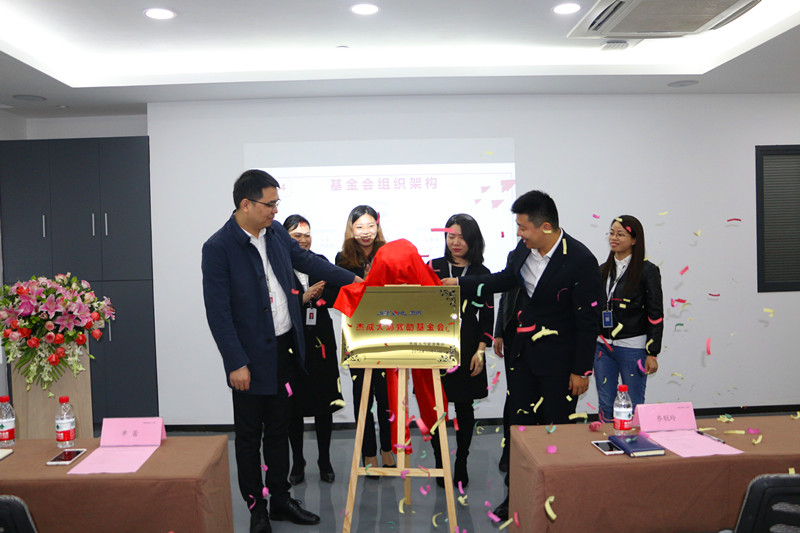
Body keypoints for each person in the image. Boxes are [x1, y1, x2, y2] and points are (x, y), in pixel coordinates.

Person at [202, 170, 361, 533]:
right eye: (270, 203)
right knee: (249, 437)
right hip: (249, 358)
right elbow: (218, 313)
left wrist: (352, 279)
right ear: (246, 204)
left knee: (280, 429)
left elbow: (310, 263)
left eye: (277, 203)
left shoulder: (275, 233)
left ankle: (280, 499)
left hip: (285, 350)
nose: (276, 210)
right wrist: (235, 362)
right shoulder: (218, 247)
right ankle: (256, 509)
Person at [442, 190, 602, 521]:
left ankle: (556, 501)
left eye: (523, 227)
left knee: (555, 432)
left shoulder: (580, 260)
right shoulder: (523, 250)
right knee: (519, 432)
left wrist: (581, 371)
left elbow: (589, 321)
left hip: (560, 366)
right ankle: (514, 496)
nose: (519, 233)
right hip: (523, 360)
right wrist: (459, 285)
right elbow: (504, 280)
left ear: (546, 227)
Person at [429, 214, 491, 488]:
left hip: (468, 345)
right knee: (436, 408)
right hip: (436, 345)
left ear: (472, 240)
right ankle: (440, 461)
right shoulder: (433, 267)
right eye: (450, 236)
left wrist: (481, 350)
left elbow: (487, 314)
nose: (455, 242)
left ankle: (461, 462)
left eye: (462, 237)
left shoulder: (482, 272)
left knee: (464, 407)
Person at [282, 214, 343, 485]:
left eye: (307, 235)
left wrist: (320, 296)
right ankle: (298, 461)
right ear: (285, 239)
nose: (304, 240)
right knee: (293, 407)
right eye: (297, 236)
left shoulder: (319, 261)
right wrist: (304, 298)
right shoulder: (278, 265)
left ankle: (324, 460)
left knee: (323, 403)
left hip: (321, 341)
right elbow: (275, 304)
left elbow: (336, 293)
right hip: (291, 342)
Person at [334, 205, 394, 472]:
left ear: (378, 227)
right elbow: (340, 295)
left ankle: (387, 448)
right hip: (358, 334)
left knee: (386, 398)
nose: (366, 232)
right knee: (363, 398)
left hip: (387, 335)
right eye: (359, 227)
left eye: (371, 226)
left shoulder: (388, 253)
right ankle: (368, 452)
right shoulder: (342, 258)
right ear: (351, 229)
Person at [594, 215, 663, 422]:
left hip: (633, 347)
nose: (614, 238)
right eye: (611, 233)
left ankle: (633, 441)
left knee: (633, 405)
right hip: (602, 346)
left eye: (620, 234)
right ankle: (607, 439)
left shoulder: (648, 271)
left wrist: (652, 353)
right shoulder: (602, 270)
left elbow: (655, 313)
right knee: (606, 403)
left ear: (634, 240)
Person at [491, 250, 522, 473]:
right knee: (514, 395)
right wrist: (498, 332)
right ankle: (508, 450)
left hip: (540, 337)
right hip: (512, 333)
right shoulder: (516, 255)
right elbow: (505, 296)